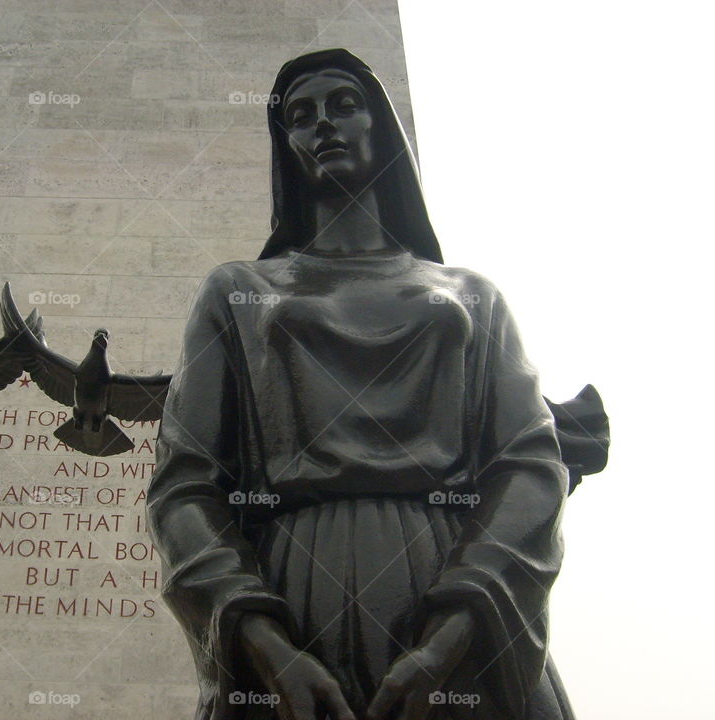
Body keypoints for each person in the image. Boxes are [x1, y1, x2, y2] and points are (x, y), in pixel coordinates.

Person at [147, 48, 579, 720]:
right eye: (300, 114)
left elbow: (529, 465)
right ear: (284, 143)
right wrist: (262, 642)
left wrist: (454, 635)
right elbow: (184, 484)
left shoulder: (470, 294)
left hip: (453, 584)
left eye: (344, 105)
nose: (323, 124)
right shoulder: (238, 290)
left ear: (382, 126)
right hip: (292, 593)